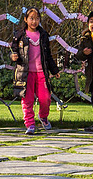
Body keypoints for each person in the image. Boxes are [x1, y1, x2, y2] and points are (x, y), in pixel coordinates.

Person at [10, 7, 59, 135]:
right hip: (25, 73)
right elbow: (13, 51)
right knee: (27, 100)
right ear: (25, 19)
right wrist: (13, 56)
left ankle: (43, 116)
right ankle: (30, 124)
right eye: (31, 18)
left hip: (41, 72)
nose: (34, 21)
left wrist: (54, 70)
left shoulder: (43, 35)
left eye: (37, 19)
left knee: (45, 98)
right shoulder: (20, 36)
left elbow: (48, 55)